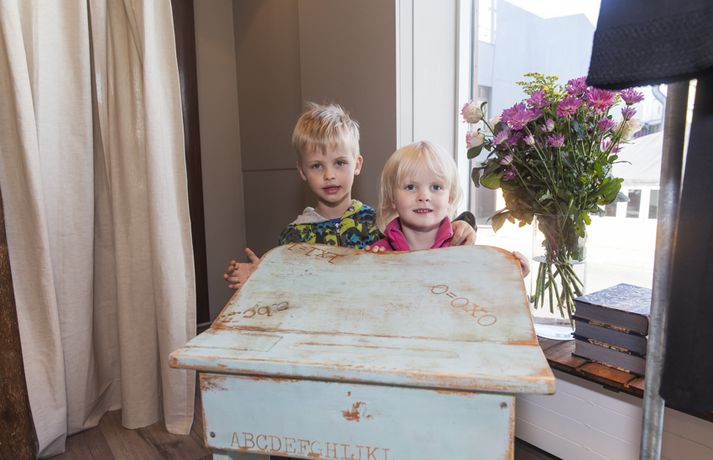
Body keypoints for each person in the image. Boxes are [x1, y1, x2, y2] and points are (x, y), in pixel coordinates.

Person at [224, 103, 477, 289]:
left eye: (340, 163)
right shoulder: (292, 236)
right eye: (317, 166)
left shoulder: (379, 222)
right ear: (302, 171)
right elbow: (288, 287)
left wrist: (463, 224)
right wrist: (261, 275)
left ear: (357, 164)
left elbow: (427, 230)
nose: (329, 175)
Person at [367, 140, 529, 276]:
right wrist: (366, 271)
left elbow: (486, 291)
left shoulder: (464, 251)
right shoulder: (379, 256)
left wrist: (513, 277)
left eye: (436, 187)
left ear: (450, 197)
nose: (424, 196)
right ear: (392, 197)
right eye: (410, 187)